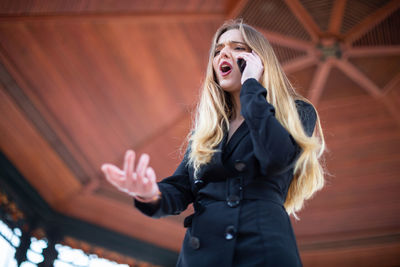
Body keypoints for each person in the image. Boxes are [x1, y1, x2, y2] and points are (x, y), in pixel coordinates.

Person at [101, 19, 325, 267]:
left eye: (237, 47)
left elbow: (275, 157)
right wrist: (148, 194)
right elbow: (180, 188)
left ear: (260, 61)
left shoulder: (298, 111)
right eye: (218, 51)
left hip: (263, 250)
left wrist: (251, 85)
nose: (223, 54)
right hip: (202, 255)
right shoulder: (207, 131)